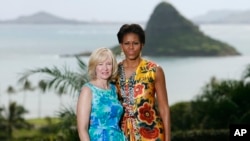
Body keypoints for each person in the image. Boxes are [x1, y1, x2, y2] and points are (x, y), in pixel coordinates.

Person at [115, 24, 171, 141]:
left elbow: (164, 108)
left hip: (152, 133)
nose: (131, 47)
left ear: (142, 45)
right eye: (127, 43)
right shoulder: (114, 72)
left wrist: (168, 139)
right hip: (121, 134)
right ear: (121, 45)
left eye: (135, 43)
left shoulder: (154, 70)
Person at [76, 47, 127, 141]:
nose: (105, 68)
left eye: (108, 64)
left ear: (113, 66)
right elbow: (82, 130)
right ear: (94, 67)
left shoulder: (114, 89)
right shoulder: (87, 90)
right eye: (100, 64)